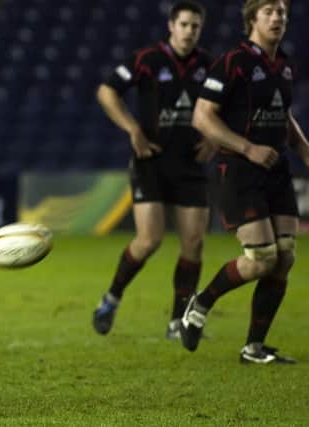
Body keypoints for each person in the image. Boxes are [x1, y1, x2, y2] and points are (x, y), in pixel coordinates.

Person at [180, 0, 309, 363]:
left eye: (282, 12)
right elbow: (202, 118)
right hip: (240, 170)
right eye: (269, 12)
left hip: (277, 170)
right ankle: (201, 302)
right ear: (252, 19)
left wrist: (304, 151)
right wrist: (247, 147)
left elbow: (284, 118)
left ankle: (254, 348)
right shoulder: (233, 62)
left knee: (284, 259)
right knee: (263, 257)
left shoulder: (283, 64)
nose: (277, 18)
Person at [92, 0, 215, 339]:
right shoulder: (147, 60)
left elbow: (229, 106)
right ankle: (111, 298)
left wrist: (214, 141)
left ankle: (178, 322)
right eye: (185, 24)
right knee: (149, 241)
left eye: (196, 26)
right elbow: (106, 92)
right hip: (151, 161)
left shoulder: (209, 65)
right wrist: (132, 129)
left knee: (193, 244)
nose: (190, 31)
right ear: (171, 26)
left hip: (191, 164)